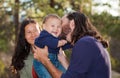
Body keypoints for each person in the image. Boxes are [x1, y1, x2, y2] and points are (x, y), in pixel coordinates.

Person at [33, 11, 111, 78]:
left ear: (72, 24)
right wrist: (63, 59)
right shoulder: (90, 43)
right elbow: (74, 75)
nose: (59, 28)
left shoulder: (85, 43)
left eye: (61, 24)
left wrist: (45, 60)